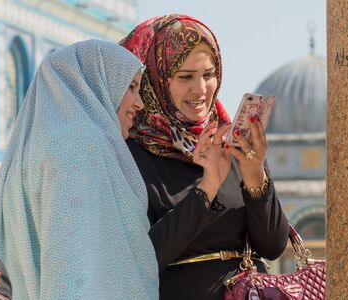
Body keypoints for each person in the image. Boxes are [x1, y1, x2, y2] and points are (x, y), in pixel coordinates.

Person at [120, 14, 289, 299]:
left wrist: (254, 175)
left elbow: (273, 246)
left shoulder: (233, 146)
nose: (200, 90)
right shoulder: (133, 154)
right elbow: (140, 261)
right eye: (186, 77)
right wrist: (207, 187)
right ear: (155, 78)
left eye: (209, 75)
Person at [0, 40, 158, 299]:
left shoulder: (35, 150)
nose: (139, 103)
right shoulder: (79, 144)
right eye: (130, 88)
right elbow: (73, 268)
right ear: (96, 83)